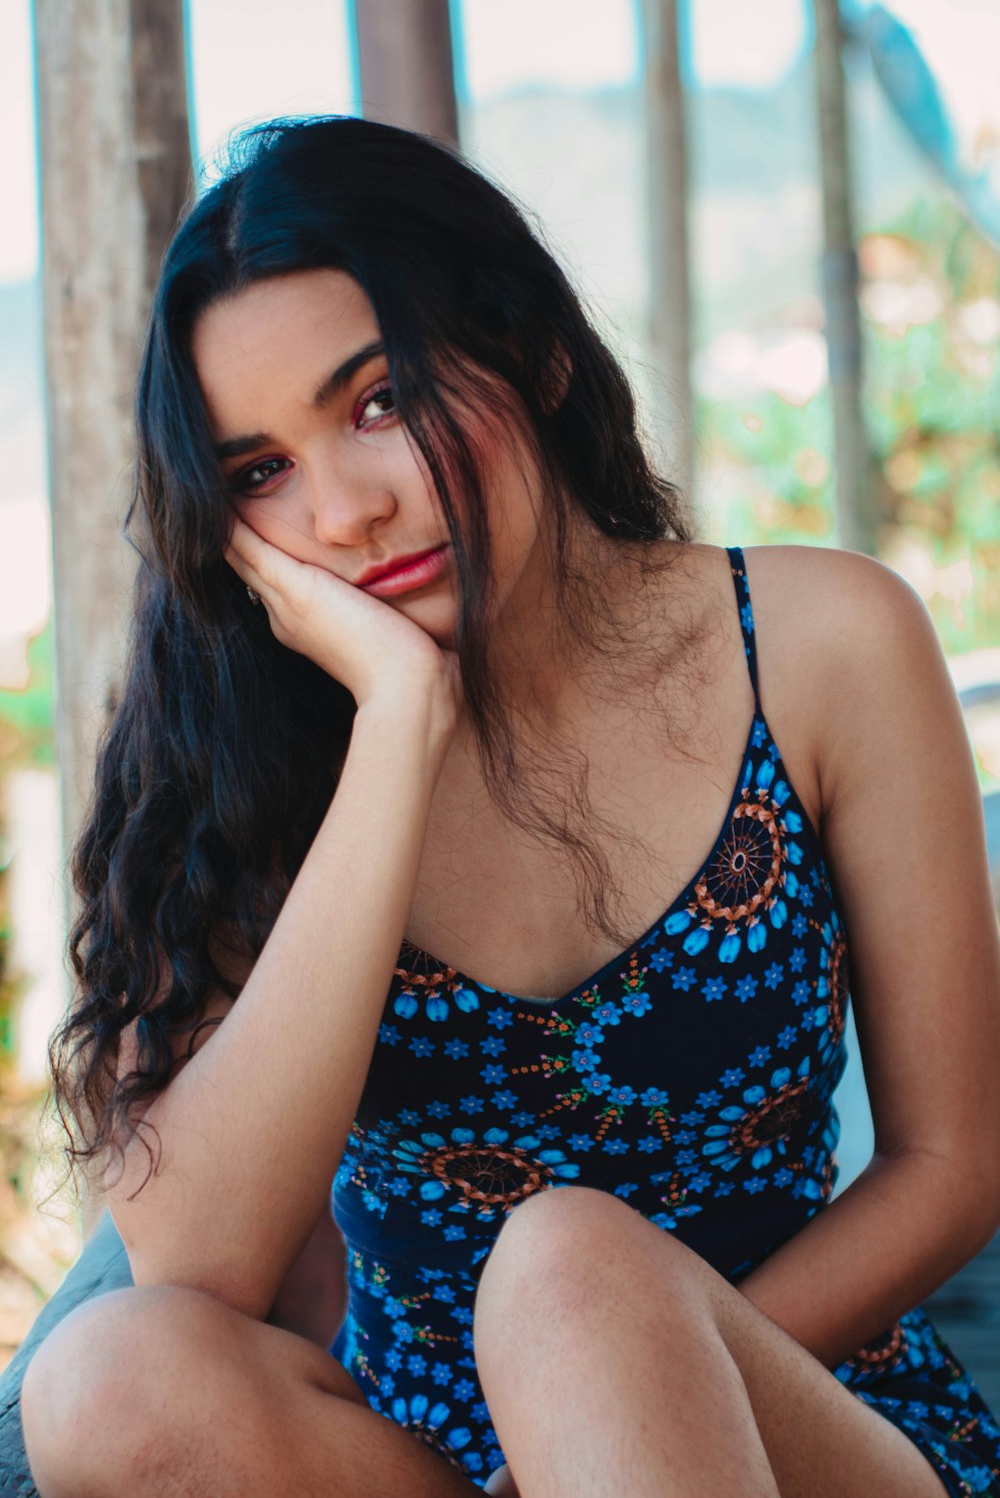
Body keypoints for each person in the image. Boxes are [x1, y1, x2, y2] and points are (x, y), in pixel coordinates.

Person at [18, 115, 1000, 1498]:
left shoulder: (824, 643)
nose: (344, 512)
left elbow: (952, 1166)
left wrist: (614, 1395)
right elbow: (194, 1260)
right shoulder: (250, 761)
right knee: (96, 1383)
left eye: (377, 403)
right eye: (261, 474)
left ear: (531, 348)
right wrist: (396, 726)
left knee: (569, 1267)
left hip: (804, 1409)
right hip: (443, 1463)